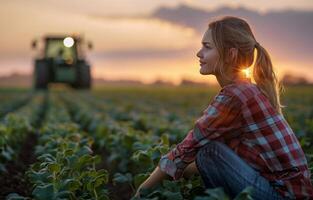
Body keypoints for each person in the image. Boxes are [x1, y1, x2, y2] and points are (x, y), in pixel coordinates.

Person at [135, 16, 313, 199]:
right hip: (286, 191)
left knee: (209, 152)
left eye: (207, 47)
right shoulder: (247, 90)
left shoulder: (235, 95)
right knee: (207, 153)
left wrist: (141, 192)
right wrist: (181, 173)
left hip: (282, 195)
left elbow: (186, 149)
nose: (198, 53)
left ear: (230, 54)